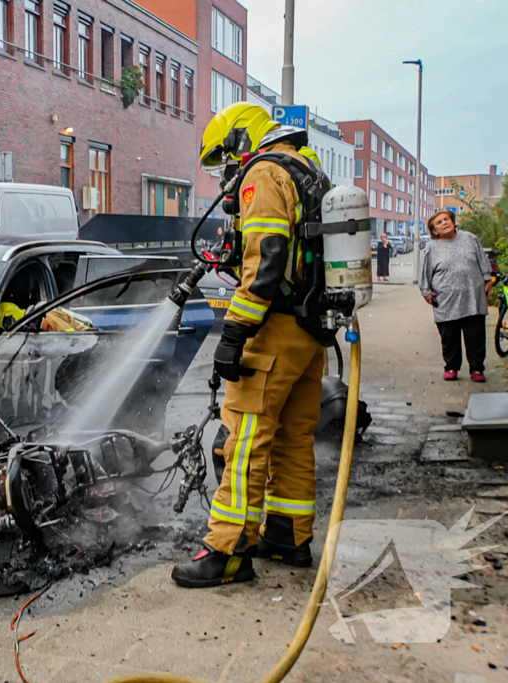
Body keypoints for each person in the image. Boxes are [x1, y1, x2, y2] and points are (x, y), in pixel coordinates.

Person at [171, 102, 328, 588]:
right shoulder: (308, 171)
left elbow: (266, 259)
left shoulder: (263, 172)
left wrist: (235, 331)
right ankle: (287, 535)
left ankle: (227, 551)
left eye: (225, 157)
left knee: (244, 441)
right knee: (293, 438)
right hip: (310, 332)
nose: (226, 171)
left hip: (274, 330)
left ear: (241, 139)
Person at [420, 209, 492, 382]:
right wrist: (426, 292)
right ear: (435, 231)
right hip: (446, 300)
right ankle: (451, 367)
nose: (444, 223)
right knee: (449, 337)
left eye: (446, 219)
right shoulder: (432, 248)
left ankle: (477, 369)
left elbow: (482, 260)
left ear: (452, 221)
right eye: (439, 222)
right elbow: (424, 271)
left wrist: (487, 278)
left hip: (473, 296)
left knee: (475, 336)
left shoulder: (470, 239)